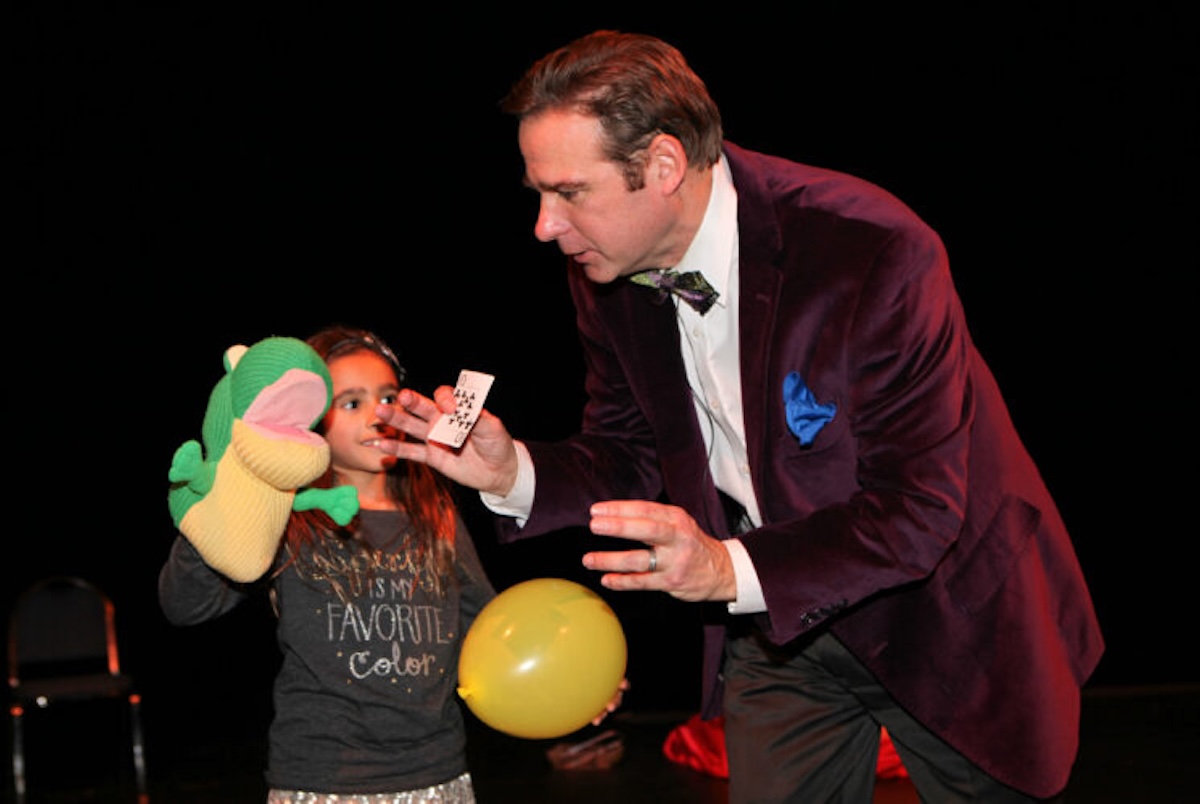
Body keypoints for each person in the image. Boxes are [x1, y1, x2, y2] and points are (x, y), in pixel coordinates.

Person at [377, 30, 1104, 803]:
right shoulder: (605, 270)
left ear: (662, 166)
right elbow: (629, 453)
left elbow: (919, 508)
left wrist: (725, 567)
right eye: (539, 195)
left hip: (945, 619)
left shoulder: (870, 249)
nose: (545, 226)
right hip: (780, 632)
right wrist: (511, 469)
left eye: (569, 192)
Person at [159, 325, 497, 804]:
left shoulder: (437, 516)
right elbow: (184, 606)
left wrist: (559, 679)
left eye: (388, 398)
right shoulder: (286, 516)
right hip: (321, 782)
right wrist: (215, 510)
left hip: (437, 773)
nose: (379, 415)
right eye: (352, 402)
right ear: (308, 421)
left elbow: (486, 624)